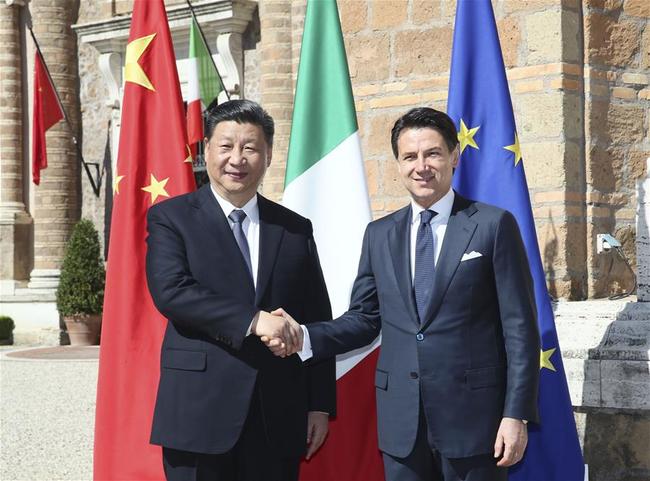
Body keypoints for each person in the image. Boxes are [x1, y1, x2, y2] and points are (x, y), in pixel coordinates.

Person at [265, 107, 541, 481]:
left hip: (477, 424)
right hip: (401, 427)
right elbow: (364, 319)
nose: (421, 166)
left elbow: (520, 328)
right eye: (410, 156)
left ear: (454, 157)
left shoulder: (492, 225)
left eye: (433, 153)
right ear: (397, 163)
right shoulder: (379, 234)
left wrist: (515, 414)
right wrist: (305, 336)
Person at [145, 99, 335, 481]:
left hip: (277, 413)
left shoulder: (294, 228)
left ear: (267, 156)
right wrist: (253, 321)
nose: (237, 158)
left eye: (250, 147)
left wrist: (319, 405)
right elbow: (171, 291)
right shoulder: (172, 218)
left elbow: (317, 317)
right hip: (199, 413)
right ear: (207, 150)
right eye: (226, 145)